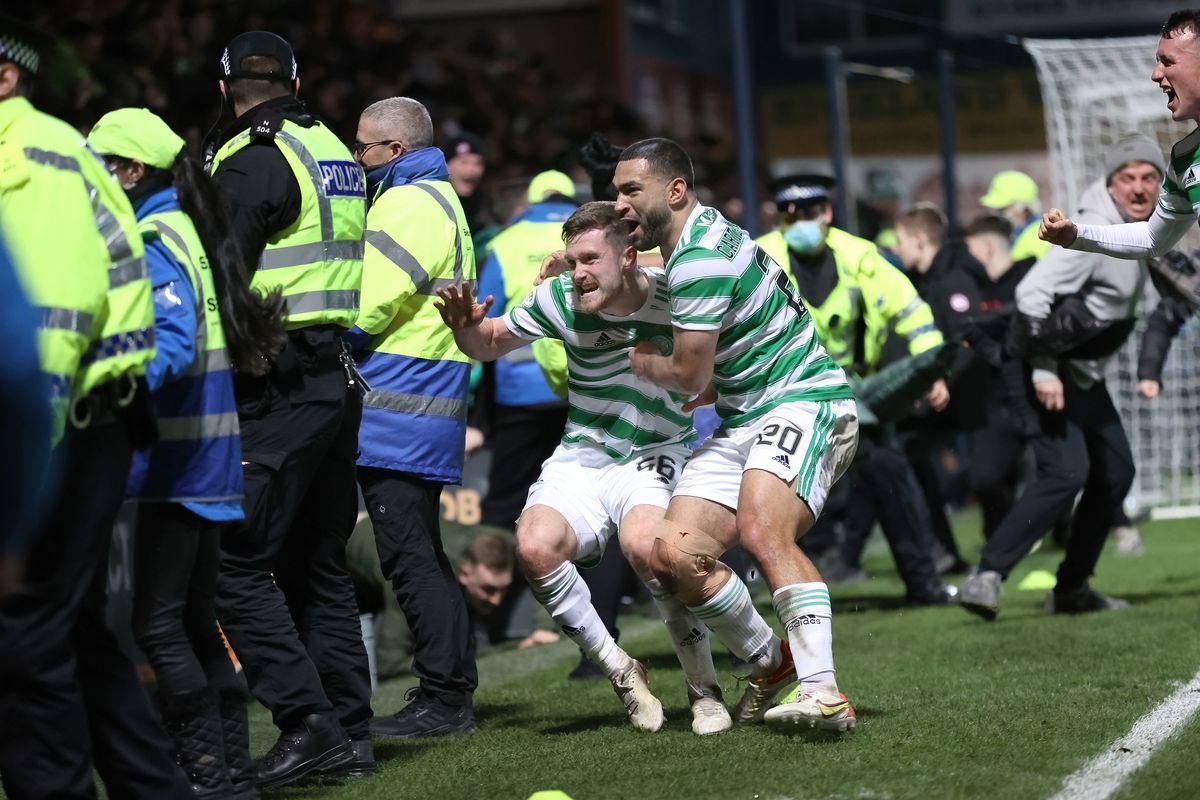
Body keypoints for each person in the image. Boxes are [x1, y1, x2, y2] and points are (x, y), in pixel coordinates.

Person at [436, 201, 734, 735]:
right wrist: (464, 330)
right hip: (582, 453)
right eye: (573, 260)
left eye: (591, 259)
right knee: (533, 546)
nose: (578, 273)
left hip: (655, 449)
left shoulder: (674, 293)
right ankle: (622, 670)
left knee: (649, 551)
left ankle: (704, 689)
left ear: (629, 256)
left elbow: (723, 357)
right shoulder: (557, 297)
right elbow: (489, 342)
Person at [0, 18, 191, 799]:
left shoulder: (25, 156)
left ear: (5, 78)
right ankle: (154, 788)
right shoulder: (40, 150)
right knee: (70, 628)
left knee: (21, 639)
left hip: (59, 427)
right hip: (81, 422)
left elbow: (53, 321)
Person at [615, 139, 861, 733]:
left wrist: (641, 361)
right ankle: (770, 663)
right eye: (615, 191)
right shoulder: (695, 238)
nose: (619, 204)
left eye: (630, 191)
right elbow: (660, 273)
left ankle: (824, 692)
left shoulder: (698, 259)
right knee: (670, 554)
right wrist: (590, 262)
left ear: (675, 190)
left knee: (761, 528)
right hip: (745, 418)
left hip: (808, 401)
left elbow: (689, 377)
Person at [87, 107, 287, 800]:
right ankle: (230, 774)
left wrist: (103, 371)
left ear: (130, 171)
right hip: (208, 457)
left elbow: (168, 348)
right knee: (199, 624)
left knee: (158, 624)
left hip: (178, 464)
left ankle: (204, 774)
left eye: (100, 168)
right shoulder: (188, 226)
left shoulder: (152, 236)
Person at [206, 31, 372, 787]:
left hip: (275, 385)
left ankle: (308, 728)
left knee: (236, 565)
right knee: (317, 566)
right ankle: (351, 733)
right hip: (332, 376)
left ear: (224, 88)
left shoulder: (250, 162)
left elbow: (221, 282)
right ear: (296, 82)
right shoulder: (331, 147)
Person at [961, 134, 1166, 620]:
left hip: (1081, 373)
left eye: (1148, 178)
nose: (1139, 188)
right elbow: (1032, 296)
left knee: (1115, 473)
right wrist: (1044, 370)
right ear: (1110, 185)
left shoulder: (1135, 228)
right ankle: (986, 575)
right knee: (1065, 473)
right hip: (1045, 367)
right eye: (1127, 178)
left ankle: (1072, 588)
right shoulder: (1093, 230)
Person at [344, 96, 480, 739]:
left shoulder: (407, 202)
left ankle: (445, 699)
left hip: (399, 406)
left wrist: (326, 338)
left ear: (393, 151)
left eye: (363, 147)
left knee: (409, 557)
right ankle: (448, 691)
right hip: (420, 403)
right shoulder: (434, 196)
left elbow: (369, 303)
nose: (355, 157)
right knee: (418, 553)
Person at [756, 174, 956, 605]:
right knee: (773, 490)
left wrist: (933, 371)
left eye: (809, 213)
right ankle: (781, 591)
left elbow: (912, 313)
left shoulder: (861, 257)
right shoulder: (759, 255)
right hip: (781, 391)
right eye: (789, 217)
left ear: (826, 214)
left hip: (850, 391)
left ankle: (924, 584)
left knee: (889, 471)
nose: (800, 223)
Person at [1040, 12, 1200, 261]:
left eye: (1167, 62)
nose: (1155, 75)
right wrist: (1075, 235)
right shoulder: (1185, 158)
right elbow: (1152, 238)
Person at [961, 215, 1038, 542]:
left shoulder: (1030, 276)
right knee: (985, 479)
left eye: (971, 250)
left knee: (1063, 473)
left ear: (989, 248)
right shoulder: (973, 289)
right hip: (993, 401)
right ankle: (1001, 542)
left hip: (1036, 393)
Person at [980, 169, 1051, 262]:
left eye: (1001, 210)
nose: (995, 215)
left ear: (1022, 208)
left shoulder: (1039, 237)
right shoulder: (1014, 236)